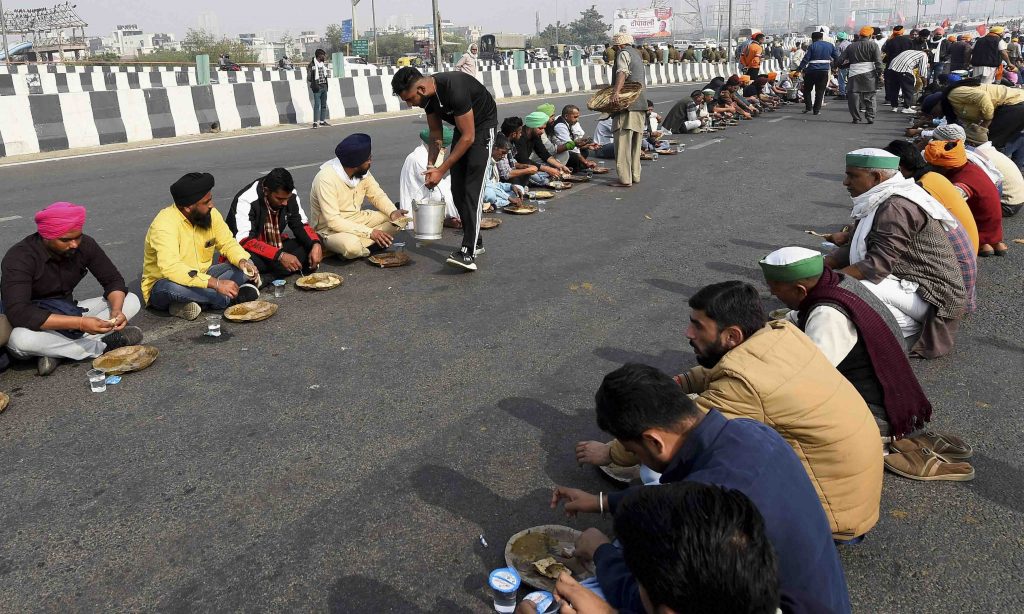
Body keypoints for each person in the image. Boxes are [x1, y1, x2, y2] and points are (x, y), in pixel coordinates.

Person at [551, 364, 852, 614]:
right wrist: (603, 501)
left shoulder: (712, 510)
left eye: (633, 450)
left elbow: (656, 598)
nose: (638, 459)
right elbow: (680, 495)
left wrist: (601, 552)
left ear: (654, 441)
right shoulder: (750, 431)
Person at [758, 248, 973, 479]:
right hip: (893, 399)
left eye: (776, 291)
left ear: (800, 290)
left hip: (874, 414)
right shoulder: (840, 283)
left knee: (781, 420)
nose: (774, 296)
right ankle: (905, 438)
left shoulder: (827, 315)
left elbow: (811, 378)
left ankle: (884, 446)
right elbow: (796, 317)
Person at [825, 149, 966, 358]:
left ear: (876, 177)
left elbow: (876, 266)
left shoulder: (895, 207)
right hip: (912, 284)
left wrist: (826, 280)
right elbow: (856, 244)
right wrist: (824, 265)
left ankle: (911, 332)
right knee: (839, 288)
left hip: (933, 296)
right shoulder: (881, 197)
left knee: (847, 290)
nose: (846, 182)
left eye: (852, 176)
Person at [1, 202, 143, 376]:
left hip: (68, 311)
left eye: (78, 237)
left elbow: (113, 281)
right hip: (34, 324)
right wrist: (81, 324)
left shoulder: (85, 245)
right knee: (19, 341)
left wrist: (116, 310)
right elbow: (19, 312)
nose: (74, 244)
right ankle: (103, 346)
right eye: (65, 240)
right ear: (46, 237)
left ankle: (56, 352)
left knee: (131, 301)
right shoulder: (19, 257)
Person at [391, 66, 498, 271]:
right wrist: (432, 166)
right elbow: (435, 135)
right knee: (457, 190)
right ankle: (476, 240)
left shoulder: (454, 88)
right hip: (463, 128)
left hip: (482, 127)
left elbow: (469, 137)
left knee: (471, 190)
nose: (410, 104)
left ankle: (468, 251)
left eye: (410, 99)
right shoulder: (428, 99)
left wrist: (442, 170)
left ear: (421, 89)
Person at [142, 173, 260, 321]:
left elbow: (227, 243)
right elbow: (171, 268)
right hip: (166, 283)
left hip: (202, 276)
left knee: (245, 267)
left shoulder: (210, 214)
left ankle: (185, 304)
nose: (212, 205)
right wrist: (216, 284)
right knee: (172, 289)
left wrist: (242, 261)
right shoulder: (164, 225)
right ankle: (224, 299)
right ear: (188, 207)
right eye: (207, 202)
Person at [883, 140, 979, 313]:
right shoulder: (933, 177)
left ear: (900, 169)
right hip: (965, 259)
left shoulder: (921, 188)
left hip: (954, 276)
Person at [310, 134, 407, 261]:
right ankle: (360, 246)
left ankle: (360, 246)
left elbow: (377, 195)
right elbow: (333, 221)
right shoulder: (325, 179)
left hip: (357, 219)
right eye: (368, 159)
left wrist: (393, 211)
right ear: (355, 164)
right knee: (351, 246)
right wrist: (370, 232)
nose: (370, 161)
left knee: (398, 221)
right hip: (330, 229)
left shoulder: (362, 172)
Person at [227, 168, 323, 281]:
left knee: (315, 241)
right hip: (250, 249)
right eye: (280, 199)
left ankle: (269, 275)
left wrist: (315, 244)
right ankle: (271, 276)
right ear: (267, 191)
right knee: (250, 262)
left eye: (287, 199)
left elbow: (299, 224)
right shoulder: (246, 199)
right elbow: (245, 241)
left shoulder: (289, 194)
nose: (285, 203)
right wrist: (280, 256)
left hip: (275, 245)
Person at [924, 137, 1007, 256]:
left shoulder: (961, 183)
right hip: (994, 226)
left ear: (945, 167)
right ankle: (995, 242)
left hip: (979, 226)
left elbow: (948, 202)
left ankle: (983, 243)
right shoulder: (972, 168)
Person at [400, 126, 460, 229]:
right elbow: (441, 194)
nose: (445, 152)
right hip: (417, 214)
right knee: (453, 197)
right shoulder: (419, 160)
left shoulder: (420, 154)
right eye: (443, 148)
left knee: (457, 180)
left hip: (424, 199)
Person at [608, 33, 647, 188]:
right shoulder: (637, 55)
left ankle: (625, 179)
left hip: (627, 105)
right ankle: (635, 175)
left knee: (623, 144)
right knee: (635, 144)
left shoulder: (623, 54)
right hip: (640, 104)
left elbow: (622, 72)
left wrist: (616, 92)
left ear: (619, 46)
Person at [944, 78, 1024, 151]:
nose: (934, 116)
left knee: (989, 144)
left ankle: (997, 164)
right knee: (1008, 140)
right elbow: (971, 124)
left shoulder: (953, 94)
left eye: (932, 113)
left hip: (1014, 102)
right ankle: (1014, 163)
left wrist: (987, 120)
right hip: (1015, 104)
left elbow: (983, 96)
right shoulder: (955, 109)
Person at [965, 122, 1024, 216]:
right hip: (1016, 201)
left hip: (1006, 205)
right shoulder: (990, 151)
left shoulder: (980, 158)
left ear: (971, 143)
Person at [843, 26, 884, 124]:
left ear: (860, 35)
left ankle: (856, 118)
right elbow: (878, 62)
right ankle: (870, 117)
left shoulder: (851, 46)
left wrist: (841, 66)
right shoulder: (873, 45)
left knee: (853, 97)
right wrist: (880, 74)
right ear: (870, 35)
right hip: (869, 74)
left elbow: (840, 60)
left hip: (853, 75)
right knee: (870, 97)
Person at [798, 31, 838, 115]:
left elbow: (806, 59)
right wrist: (835, 67)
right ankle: (816, 110)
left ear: (813, 39)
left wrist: (799, 69)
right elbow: (836, 57)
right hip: (824, 72)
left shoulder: (812, 46)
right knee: (820, 92)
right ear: (822, 38)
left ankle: (808, 107)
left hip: (811, 71)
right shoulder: (830, 45)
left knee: (807, 90)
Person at [885, 48, 929, 112]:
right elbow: (922, 73)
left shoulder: (910, 51)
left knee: (894, 89)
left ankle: (894, 107)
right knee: (908, 89)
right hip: (904, 70)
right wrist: (925, 84)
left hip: (891, 68)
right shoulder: (924, 55)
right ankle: (906, 107)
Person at [307, 49, 330, 129]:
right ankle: (315, 122)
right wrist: (315, 84)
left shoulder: (323, 64)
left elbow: (326, 75)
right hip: (317, 87)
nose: (324, 56)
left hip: (324, 86)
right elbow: (309, 77)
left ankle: (322, 121)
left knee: (324, 105)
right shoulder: (312, 65)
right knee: (317, 105)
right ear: (319, 55)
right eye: (323, 55)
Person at [834, 31, 851, 99]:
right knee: (850, 79)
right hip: (851, 64)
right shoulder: (850, 44)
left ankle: (842, 94)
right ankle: (849, 93)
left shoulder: (839, 45)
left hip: (843, 65)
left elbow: (837, 56)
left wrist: (835, 65)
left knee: (841, 80)